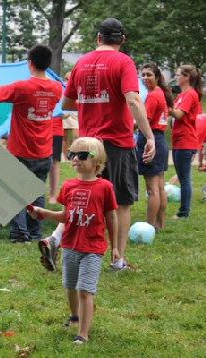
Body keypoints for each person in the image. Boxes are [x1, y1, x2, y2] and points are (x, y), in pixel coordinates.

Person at [61, 18, 155, 271]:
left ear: (98, 38)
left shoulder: (81, 63)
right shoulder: (123, 61)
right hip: (116, 143)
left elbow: (67, 104)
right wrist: (150, 135)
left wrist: (91, 100)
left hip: (87, 142)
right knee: (121, 202)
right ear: (122, 40)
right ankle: (118, 260)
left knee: (85, 199)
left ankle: (61, 242)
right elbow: (133, 100)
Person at [27, 137, 118, 344]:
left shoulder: (104, 187)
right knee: (70, 287)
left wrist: (115, 247)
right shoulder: (68, 186)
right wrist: (43, 213)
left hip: (92, 248)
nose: (75, 158)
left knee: (84, 290)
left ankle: (83, 334)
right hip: (70, 246)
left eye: (82, 155)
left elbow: (111, 218)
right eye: (72, 154)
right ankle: (76, 316)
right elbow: (65, 217)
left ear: (97, 162)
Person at [0, 44, 62, 242]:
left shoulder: (22, 87)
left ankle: (20, 234)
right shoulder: (56, 88)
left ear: (30, 63)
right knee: (37, 193)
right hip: (44, 150)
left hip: (21, 150)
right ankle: (35, 232)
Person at [138, 63, 172, 229]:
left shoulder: (153, 96)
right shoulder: (160, 93)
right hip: (160, 140)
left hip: (151, 141)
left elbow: (145, 121)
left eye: (149, 75)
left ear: (157, 77)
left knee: (153, 189)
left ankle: (149, 226)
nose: (145, 78)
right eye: (143, 75)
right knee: (159, 186)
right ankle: (160, 224)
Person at [168, 65, 203, 219]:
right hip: (179, 140)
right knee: (183, 177)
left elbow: (179, 115)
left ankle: (183, 213)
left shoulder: (190, 94)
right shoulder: (182, 95)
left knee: (184, 178)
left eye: (178, 74)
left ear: (187, 77)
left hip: (186, 141)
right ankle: (184, 211)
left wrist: (165, 103)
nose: (176, 77)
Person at [62, 72, 79, 156]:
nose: (68, 81)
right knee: (65, 138)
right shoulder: (62, 87)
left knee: (76, 136)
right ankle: (66, 157)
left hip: (75, 114)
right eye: (67, 79)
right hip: (65, 114)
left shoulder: (77, 85)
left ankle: (75, 154)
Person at [49, 115, 64, 204]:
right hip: (36, 129)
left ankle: (53, 195)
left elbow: (66, 113)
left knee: (54, 162)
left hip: (55, 130)